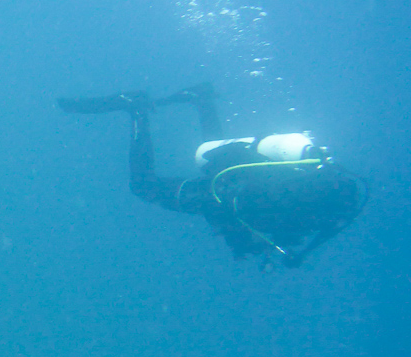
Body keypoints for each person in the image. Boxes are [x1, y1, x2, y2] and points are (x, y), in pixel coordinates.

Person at [57, 83, 366, 268]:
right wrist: (241, 240)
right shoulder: (332, 210)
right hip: (225, 191)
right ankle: (135, 109)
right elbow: (233, 206)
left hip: (242, 173)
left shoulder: (324, 201)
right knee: (144, 186)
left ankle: (201, 98)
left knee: (213, 156)